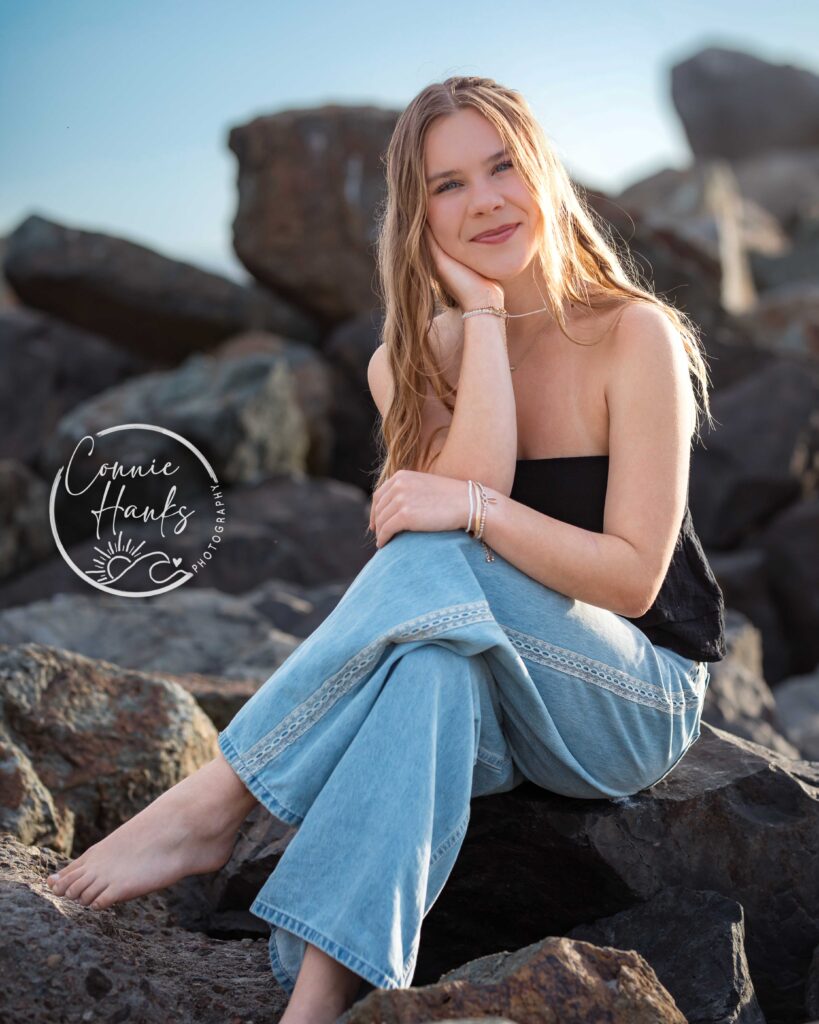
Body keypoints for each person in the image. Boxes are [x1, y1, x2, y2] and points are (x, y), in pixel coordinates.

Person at [45, 75, 726, 1023]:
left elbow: (629, 575)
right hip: (500, 692)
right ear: (418, 216)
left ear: (541, 171)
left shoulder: (631, 335)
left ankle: (213, 802)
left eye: (500, 167)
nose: (484, 199)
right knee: (430, 672)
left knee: (434, 553)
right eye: (447, 185)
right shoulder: (406, 360)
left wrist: (478, 511)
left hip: (628, 695)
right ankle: (320, 1001)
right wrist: (481, 325)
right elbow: (459, 494)